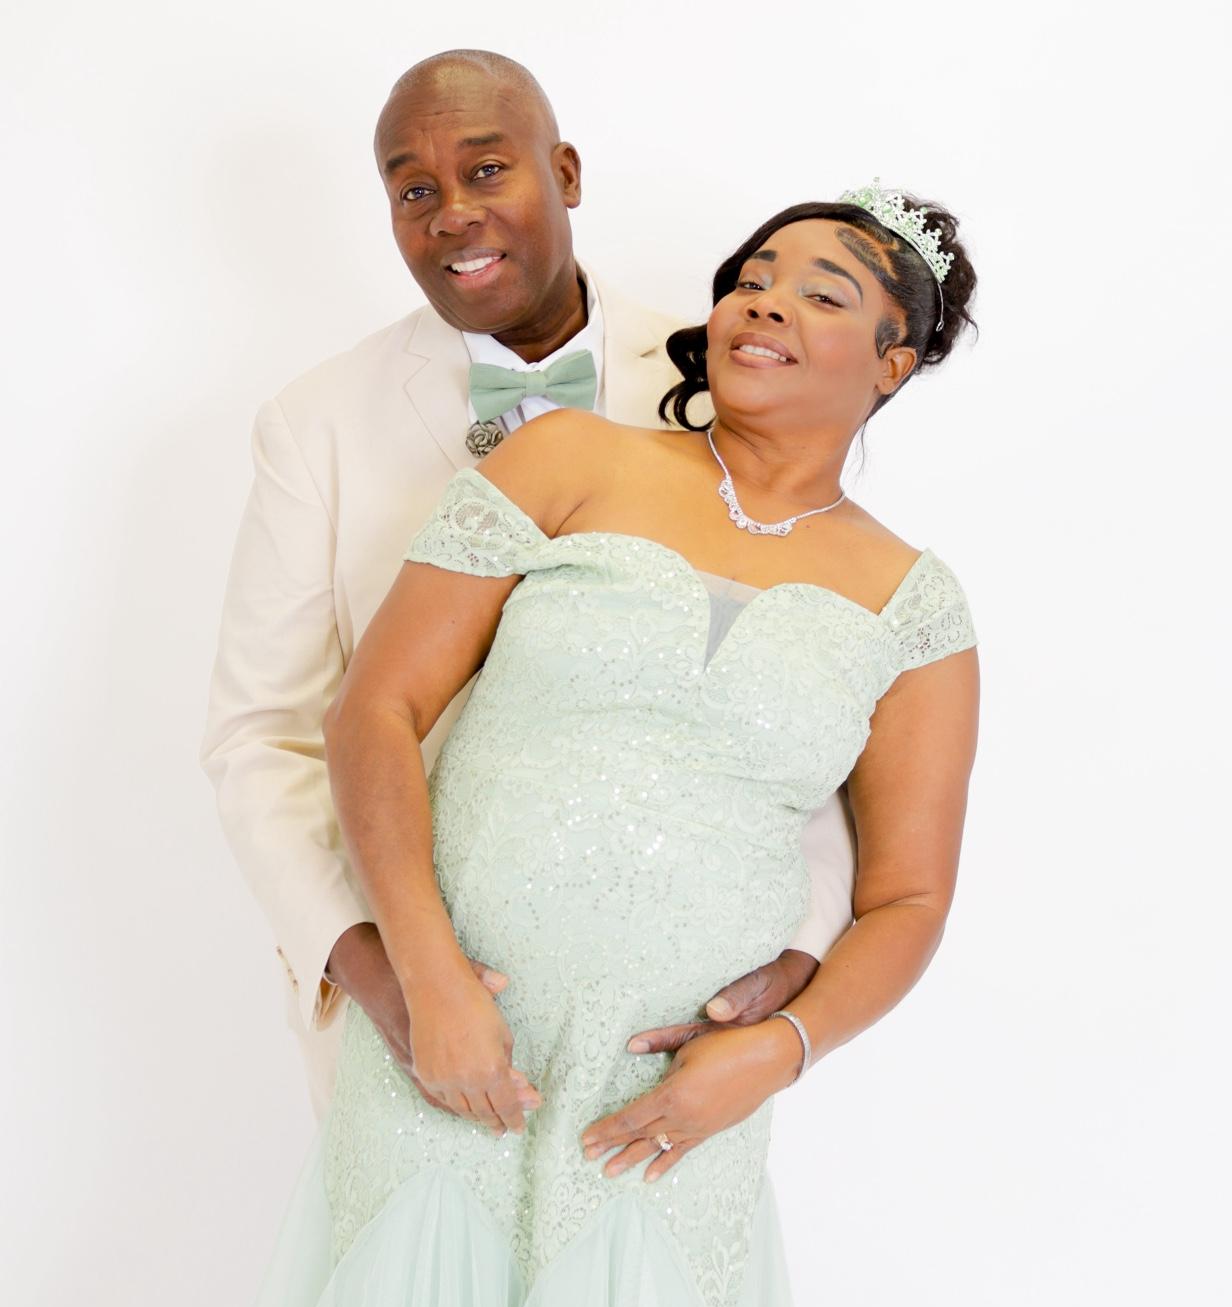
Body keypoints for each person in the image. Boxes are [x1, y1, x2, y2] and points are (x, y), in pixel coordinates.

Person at [244, 190, 980, 1307]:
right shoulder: (567, 458)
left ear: (891, 362)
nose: (764, 303)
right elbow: (374, 710)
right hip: (456, 1048)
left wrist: (780, 1052)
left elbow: (908, 898)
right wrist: (426, 978)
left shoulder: (916, 609)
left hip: (669, 1106)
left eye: (820, 294)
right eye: (751, 280)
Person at [200, 50, 859, 1122]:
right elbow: (259, 738)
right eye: (414, 190)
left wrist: (797, 950)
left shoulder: (723, 377)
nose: (452, 214)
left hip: (665, 1011)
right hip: (413, 1016)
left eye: (486, 170)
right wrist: (381, 973)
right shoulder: (313, 424)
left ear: (566, 173)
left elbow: (808, 679)